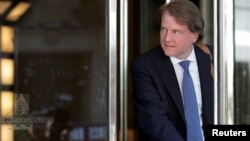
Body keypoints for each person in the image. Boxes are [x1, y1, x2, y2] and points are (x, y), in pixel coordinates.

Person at [131, 0, 214, 141]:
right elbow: (155, 122)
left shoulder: (214, 58)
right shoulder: (145, 66)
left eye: (176, 32)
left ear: (194, 35)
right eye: (164, 29)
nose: (166, 38)